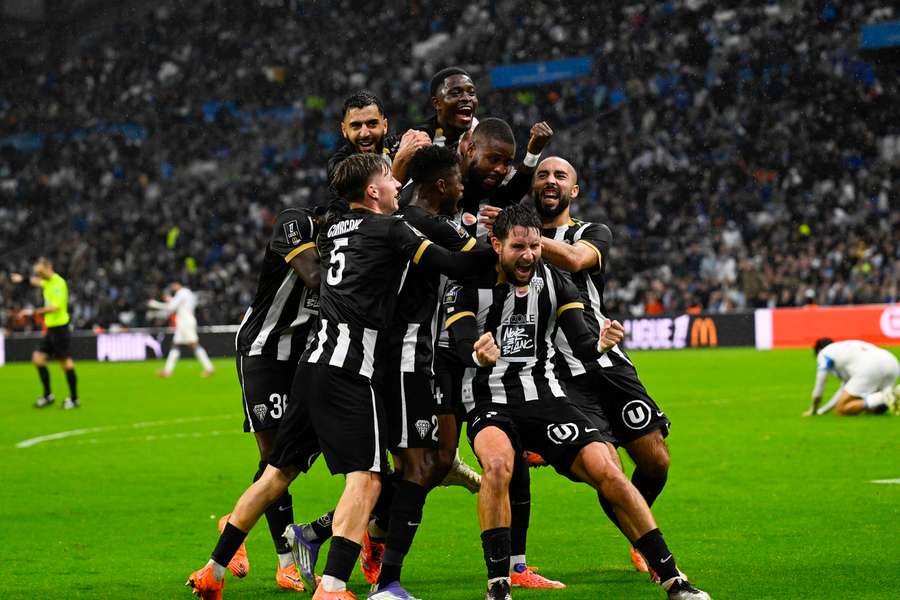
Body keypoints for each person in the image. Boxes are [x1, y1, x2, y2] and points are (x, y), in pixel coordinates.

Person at [186, 153, 494, 600]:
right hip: (350, 371)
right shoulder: (390, 229)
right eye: (389, 178)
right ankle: (331, 586)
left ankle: (212, 570)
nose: (395, 185)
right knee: (366, 479)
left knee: (275, 475)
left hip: (310, 367)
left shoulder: (331, 230)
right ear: (372, 191)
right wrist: (504, 246)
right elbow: (456, 265)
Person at [442, 205, 710, 600]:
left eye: (535, 246)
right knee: (497, 466)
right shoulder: (468, 285)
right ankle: (498, 586)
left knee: (610, 471)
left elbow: (582, 342)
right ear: (497, 244)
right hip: (489, 400)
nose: (529, 255)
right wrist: (477, 353)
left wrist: (600, 344)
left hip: (548, 397)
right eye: (518, 246)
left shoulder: (556, 282)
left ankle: (674, 578)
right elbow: (463, 339)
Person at [533, 156, 675, 574]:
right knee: (605, 466)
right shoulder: (512, 244)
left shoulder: (591, 233)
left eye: (560, 176)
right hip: (561, 373)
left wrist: (523, 237)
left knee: (656, 461)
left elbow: (576, 260)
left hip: (608, 362)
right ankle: (644, 540)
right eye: (542, 175)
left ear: (573, 191)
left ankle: (637, 518)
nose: (551, 180)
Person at [216, 205, 325, 592]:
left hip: (303, 355)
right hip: (263, 351)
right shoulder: (298, 223)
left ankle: (237, 518)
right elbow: (314, 277)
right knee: (276, 457)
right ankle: (285, 563)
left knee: (292, 456)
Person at [326, 91, 430, 216]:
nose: (365, 133)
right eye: (356, 126)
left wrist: (420, 138)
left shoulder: (397, 145)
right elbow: (371, 207)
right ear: (344, 130)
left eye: (372, 124)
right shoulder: (339, 166)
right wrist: (401, 161)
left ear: (385, 125)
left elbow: (422, 138)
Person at [11, 257, 80, 409]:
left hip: (60, 328)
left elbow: (55, 307)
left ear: (48, 267)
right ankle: (48, 395)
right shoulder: (47, 281)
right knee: (38, 359)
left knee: (65, 363)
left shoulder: (58, 283)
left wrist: (33, 312)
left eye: (40, 271)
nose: (39, 275)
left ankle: (74, 399)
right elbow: (35, 281)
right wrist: (22, 279)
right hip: (51, 328)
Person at [804, 338, 899, 416]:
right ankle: (886, 395)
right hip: (892, 362)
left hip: (870, 368)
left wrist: (813, 410)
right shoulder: (844, 348)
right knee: (871, 411)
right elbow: (844, 390)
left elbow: (819, 388)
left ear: (819, 350)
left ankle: (884, 396)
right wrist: (822, 411)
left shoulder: (824, 354)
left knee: (841, 409)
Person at [148, 281, 215, 378]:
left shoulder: (181, 293)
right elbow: (179, 304)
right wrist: (171, 300)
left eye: (173, 285)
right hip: (185, 321)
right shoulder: (188, 293)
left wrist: (155, 304)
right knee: (176, 345)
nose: (172, 287)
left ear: (177, 284)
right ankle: (167, 371)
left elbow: (171, 307)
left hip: (185, 322)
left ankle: (209, 368)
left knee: (194, 344)